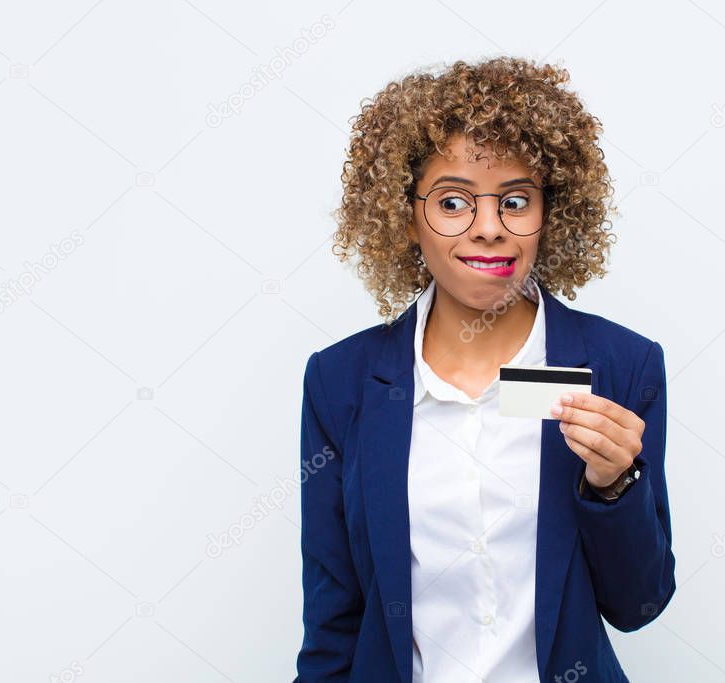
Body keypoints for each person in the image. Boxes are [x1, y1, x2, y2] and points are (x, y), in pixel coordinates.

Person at [294, 56, 675, 683]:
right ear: (404, 213)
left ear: (551, 213)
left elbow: (639, 604)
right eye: (453, 202)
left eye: (516, 200)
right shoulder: (341, 381)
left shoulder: (621, 367)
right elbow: (334, 616)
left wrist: (613, 486)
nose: (490, 230)